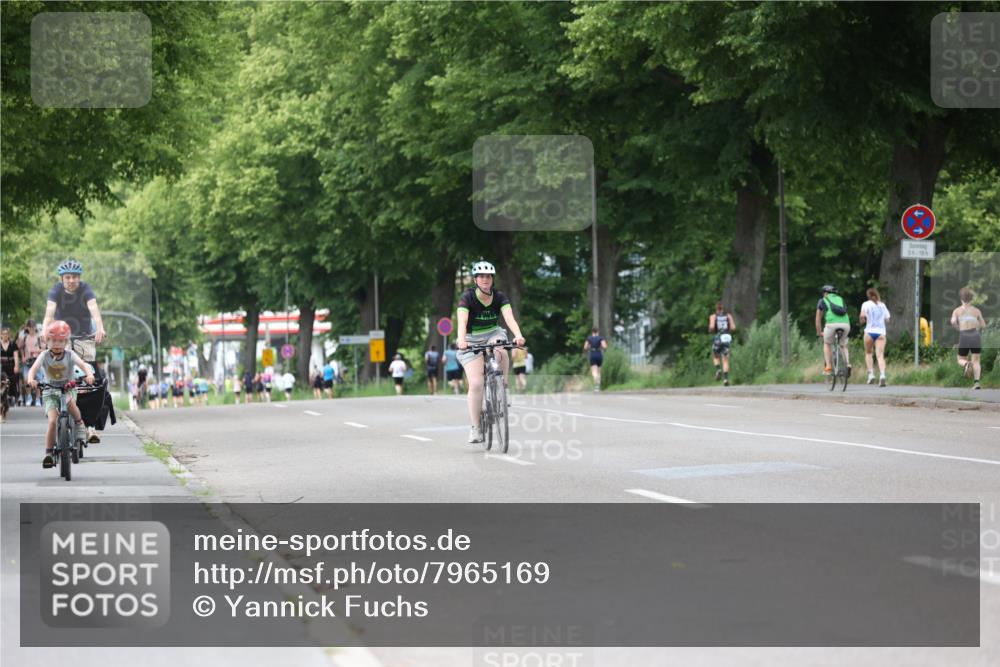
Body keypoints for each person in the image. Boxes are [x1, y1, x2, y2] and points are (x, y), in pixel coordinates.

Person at [456, 260, 526, 444]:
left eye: (488, 276)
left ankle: (503, 385)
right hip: (470, 339)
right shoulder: (467, 297)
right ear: (476, 279)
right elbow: (462, 322)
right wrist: (461, 340)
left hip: (492, 334)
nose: (485, 279)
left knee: (501, 346)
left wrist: (518, 335)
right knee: (477, 384)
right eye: (481, 276)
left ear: (492, 279)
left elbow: (509, 318)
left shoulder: (500, 296)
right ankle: (475, 428)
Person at [42, 259, 106, 443]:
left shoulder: (85, 289)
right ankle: (54, 404)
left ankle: (90, 427)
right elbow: (49, 314)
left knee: (90, 378)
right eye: (68, 277)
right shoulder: (56, 290)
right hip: (62, 338)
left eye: (75, 277)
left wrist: (100, 328)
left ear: (79, 278)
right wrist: (45, 331)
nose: (71, 280)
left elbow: (94, 309)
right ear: (62, 278)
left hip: (85, 336)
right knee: (57, 371)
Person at [26, 321, 94, 469]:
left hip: (68, 388)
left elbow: (82, 365)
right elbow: (33, 369)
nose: (57, 344)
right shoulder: (44, 356)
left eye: (60, 341)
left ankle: (79, 423)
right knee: (52, 422)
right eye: (53, 340)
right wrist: (31, 379)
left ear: (66, 341)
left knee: (71, 403)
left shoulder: (70, 355)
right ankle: (49, 453)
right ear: (47, 341)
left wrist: (89, 375)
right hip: (50, 391)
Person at [951, 287, 987, 390]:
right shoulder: (976, 311)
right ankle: (976, 383)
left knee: (960, 359)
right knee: (976, 360)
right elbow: (983, 325)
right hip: (975, 335)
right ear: (971, 299)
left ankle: (967, 364)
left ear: (961, 299)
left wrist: (959, 328)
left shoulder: (957, 311)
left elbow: (953, 322)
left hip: (964, 335)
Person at [815, 284, 851, 377]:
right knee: (843, 345)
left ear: (825, 293)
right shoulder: (841, 299)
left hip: (831, 325)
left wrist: (819, 332)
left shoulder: (822, 300)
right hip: (846, 325)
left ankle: (829, 367)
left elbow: (818, 320)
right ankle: (847, 364)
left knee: (827, 343)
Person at [859, 288, 891, 387]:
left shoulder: (865, 304)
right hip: (881, 333)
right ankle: (882, 376)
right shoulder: (882, 305)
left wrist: (862, 320)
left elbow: (862, 316)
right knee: (880, 356)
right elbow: (888, 319)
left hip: (869, 332)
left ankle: (871, 375)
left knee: (868, 353)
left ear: (868, 296)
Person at [708, 302, 736, 386]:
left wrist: (710, 329)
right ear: (723, 309)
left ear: (716, 309)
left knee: (715, 356)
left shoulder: (713, 316)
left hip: (718, 338)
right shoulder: (728, 316)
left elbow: (712, 327)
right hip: (726, 338)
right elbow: (733, 328)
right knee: (725, 359)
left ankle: (718, 369)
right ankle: (726, 379)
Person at [18, 320, 43, 407]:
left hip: (36, 360)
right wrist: (23, 356)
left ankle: (38, 399)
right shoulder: (24, 337)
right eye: (30, 328)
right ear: (27, 328)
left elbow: (43, 349)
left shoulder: (39, 337)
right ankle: (29, 397)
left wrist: (34, 351)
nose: (32, 329)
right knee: (26, 379)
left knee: (38, 380)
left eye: (33, 327)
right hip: (27, 362)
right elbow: (20, 348)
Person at [1, 326, 21, 411]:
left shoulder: (13, 344)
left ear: (9, 335)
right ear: (1, 335)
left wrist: (16, 366)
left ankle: (12, 397)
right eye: (3, 334)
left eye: (6, 334)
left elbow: (16, 356)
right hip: (1, 366)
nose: (5, 335)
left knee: (12, 381)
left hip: (11, 365)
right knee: (2, 382)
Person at [583, 327, 608, 392]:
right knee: (599, 372)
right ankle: (598, 386)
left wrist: (590, 346)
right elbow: (605, 346)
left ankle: (596, 385)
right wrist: (600, 347)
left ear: (592, 332)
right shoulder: (601, 338)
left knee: (594, 371)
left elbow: (585, 347)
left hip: (593, 354)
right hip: (599, 354)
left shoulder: (589, 338)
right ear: (597, 332)